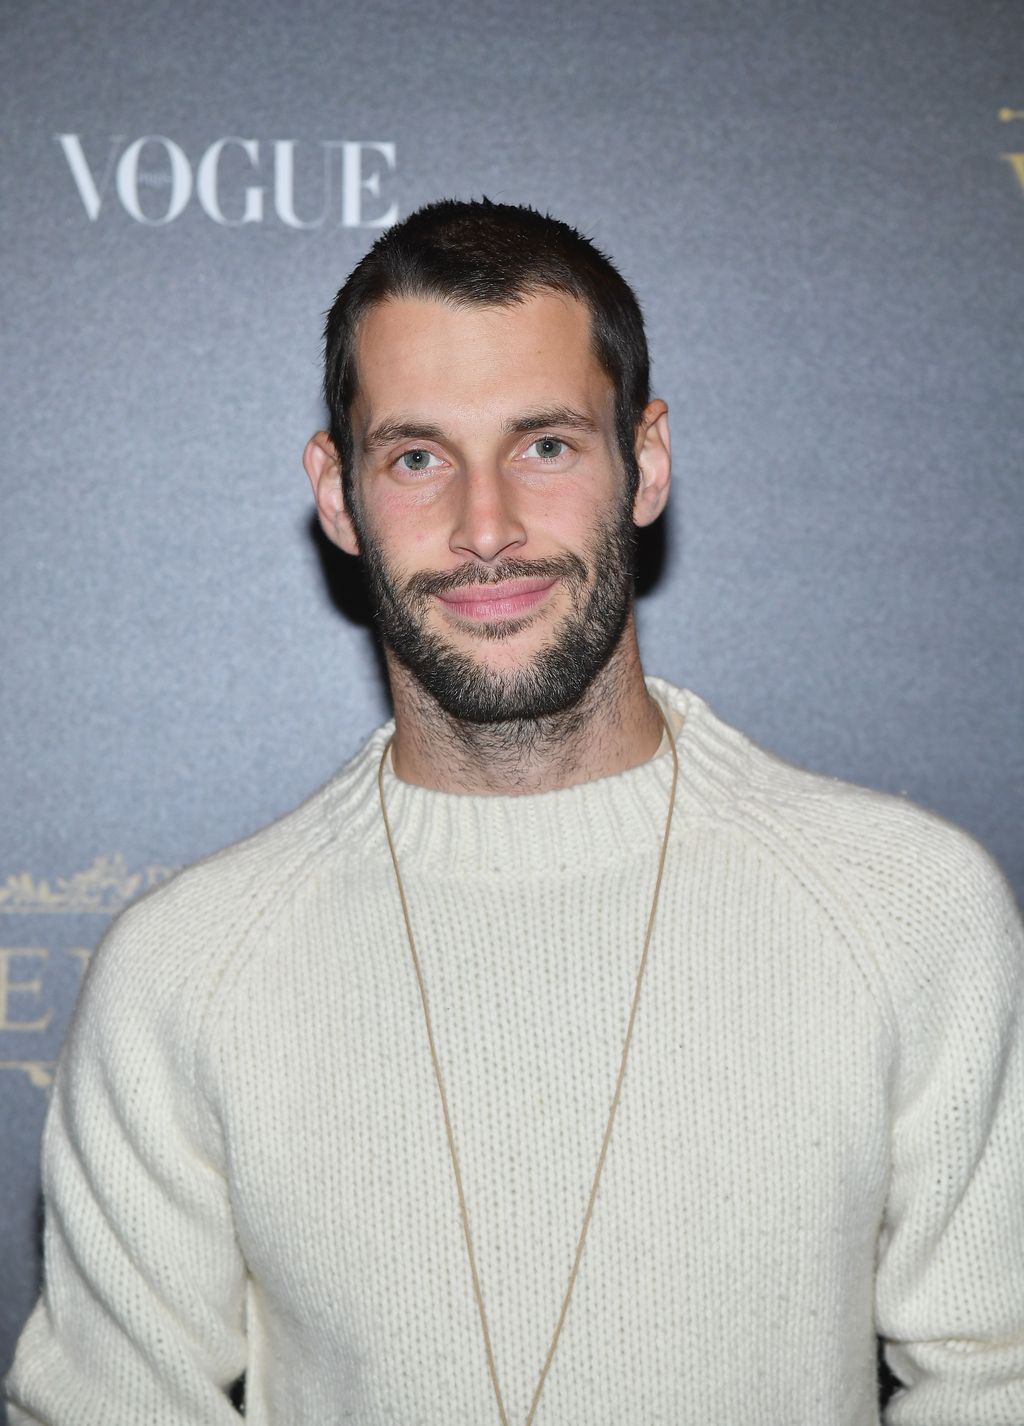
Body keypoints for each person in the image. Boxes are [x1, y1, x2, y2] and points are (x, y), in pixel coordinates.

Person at [5, 198, 1023, 1426]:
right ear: (337, 494)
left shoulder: (908, 907)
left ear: (644, 461)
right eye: (418, 457)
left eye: (544, 446)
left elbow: (995, 1376)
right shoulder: (184, 970)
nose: (484, 529)